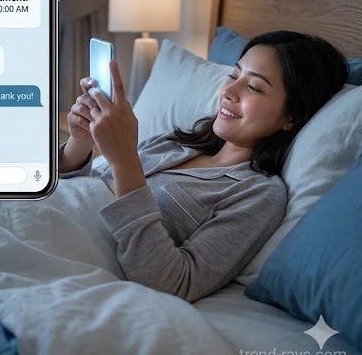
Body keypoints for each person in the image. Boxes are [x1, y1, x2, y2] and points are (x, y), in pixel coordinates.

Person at [61, 30, 347, 302]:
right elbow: (83, 189)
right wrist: (80, 142)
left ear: (292, 118)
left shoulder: (258, 194)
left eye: (253, 87)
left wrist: (125, 161)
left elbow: (174, 282)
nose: (229, 91)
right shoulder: (176, 144)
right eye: (233, 75)